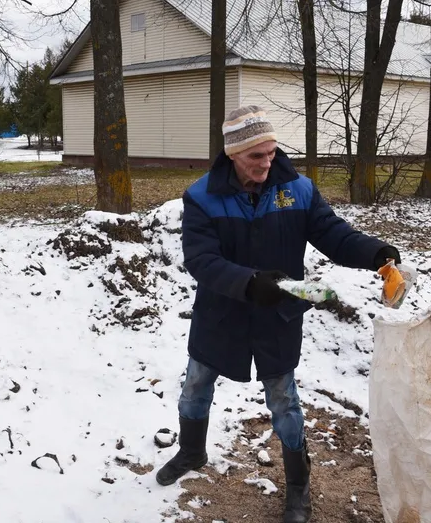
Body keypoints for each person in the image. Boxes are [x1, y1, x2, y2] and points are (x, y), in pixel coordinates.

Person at [155, 105, 402, 523]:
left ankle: (298, 487)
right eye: (256, 156)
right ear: (233, 153)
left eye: (272, 153)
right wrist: (248, 282)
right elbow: (201, 260)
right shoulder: (201, 196)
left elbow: (333, 234)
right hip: (221, 314)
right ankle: (192, 452)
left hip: (278, 317)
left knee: (284, 400)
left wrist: (375, 253)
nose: (267, 163)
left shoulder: (298, 190)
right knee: (196, 385)